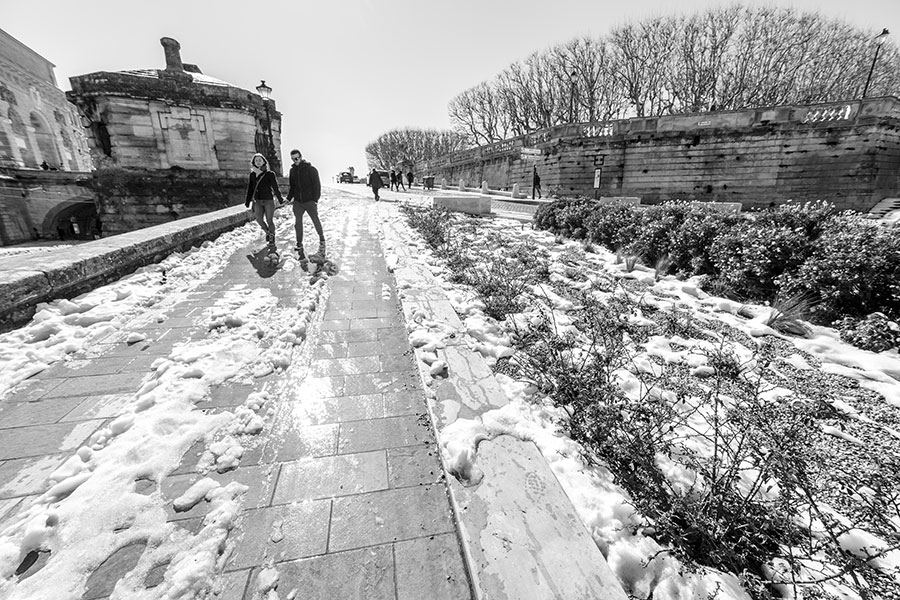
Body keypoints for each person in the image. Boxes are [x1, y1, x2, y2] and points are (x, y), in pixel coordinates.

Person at [286, 149, 325, 262]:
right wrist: (289, 198)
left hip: (309, 201)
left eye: (297, 158)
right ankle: (299, 243)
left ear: (301, 157)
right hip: (298, 202)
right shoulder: (292, 171)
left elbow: (317, 185)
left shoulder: (311, 169)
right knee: (298, 222)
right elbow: (292, 187)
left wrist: (315, 200)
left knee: (315, 220)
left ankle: (322, 239)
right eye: (293, 159)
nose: (296, 160)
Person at [245, 153, 284, 245]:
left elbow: (275, 187)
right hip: (257, 201)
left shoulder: (270, 174)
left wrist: (280, 198)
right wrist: (247, 201)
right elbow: (250, 188)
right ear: (253, 162)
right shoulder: (252, 175)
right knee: (258, 219)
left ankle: (272, 236)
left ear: (263, 162)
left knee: (269, 219)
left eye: (260, 160)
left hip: (268, 200)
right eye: (256, 160)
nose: (258, 162)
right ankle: (268, 232)